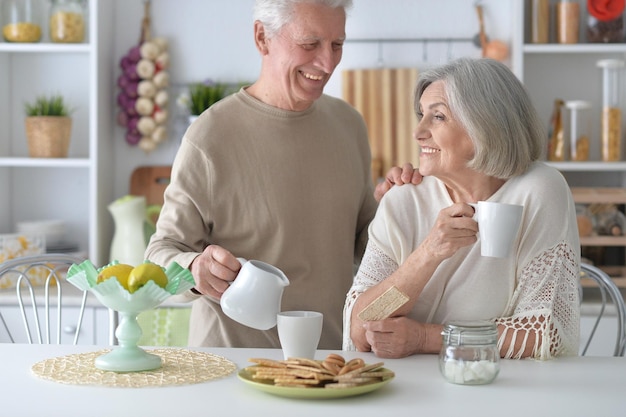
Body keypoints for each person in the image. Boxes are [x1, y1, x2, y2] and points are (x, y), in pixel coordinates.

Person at [145, 0, 420, 349]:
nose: (328, 62)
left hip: (328, 361)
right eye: (310, 44)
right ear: (262, 37)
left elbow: (366, 246)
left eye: (337, 45)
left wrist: (397, 207)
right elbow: (161, 252)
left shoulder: (348, 125)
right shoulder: (210, 137)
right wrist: (196, 268)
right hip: (234, 369)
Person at [343, 57, 581, 360]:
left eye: (438, 117)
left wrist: (425, 337)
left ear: (485, 124)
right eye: (421, 115)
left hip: (502, 389)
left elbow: (544, 332)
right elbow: (361, 329)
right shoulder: (402, 199)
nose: (418, 132)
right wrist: (428, 254)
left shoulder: (539, 190)